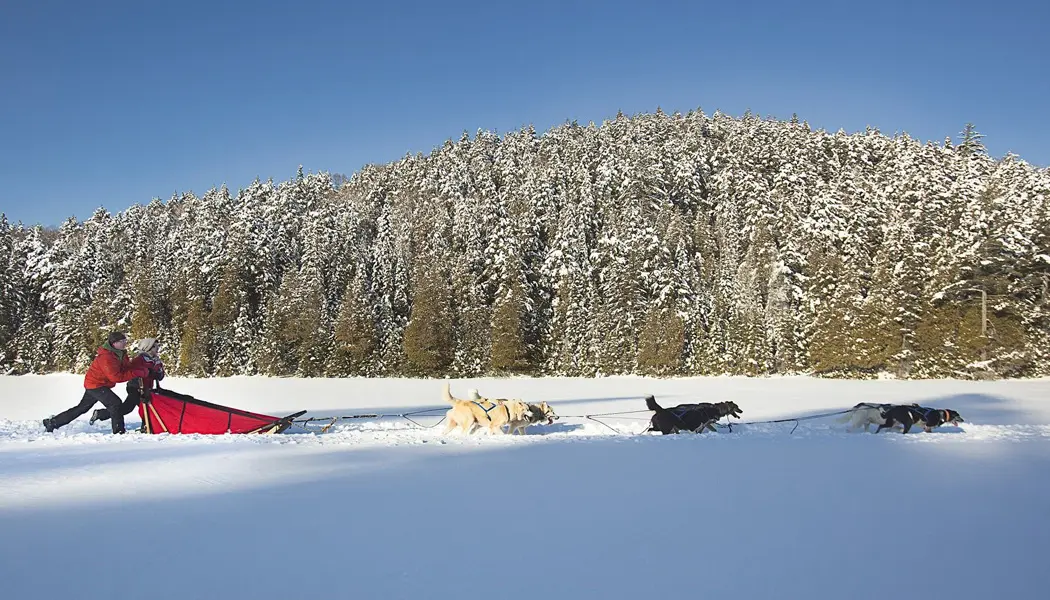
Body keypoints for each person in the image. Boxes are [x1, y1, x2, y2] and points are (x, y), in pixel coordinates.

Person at [43, 331, 149, 434]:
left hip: (98, 384)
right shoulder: (106, 357)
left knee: (82, 408)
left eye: (125, 340)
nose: (125, 342)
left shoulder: (120, 353)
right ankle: (119, 432)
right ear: (114, 343)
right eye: (122, 341)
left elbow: (126, 367)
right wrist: (136, 373)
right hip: (95, 385)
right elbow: (116, 377)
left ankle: (53, 422)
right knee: (115, 403)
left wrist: (141, 368)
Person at [89, 337, 165, 428]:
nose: (157, 348)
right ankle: (146, 426)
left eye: (158, 346)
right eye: (154, 346)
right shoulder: (140, 359)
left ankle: (101, 414)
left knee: (135, 408)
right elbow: (132, 371)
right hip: (135, 387)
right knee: (132, 408)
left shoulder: (156, 360)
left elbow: (160, 375)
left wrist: (159, 374)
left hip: (148, 388)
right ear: (147, 347)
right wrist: (145, 374)